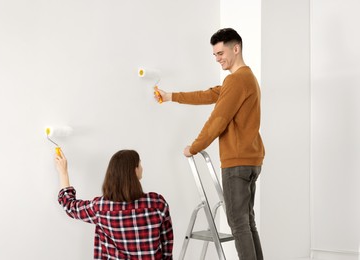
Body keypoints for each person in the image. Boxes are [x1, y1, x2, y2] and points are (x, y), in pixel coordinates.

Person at [155, 28, 264, 260]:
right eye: (214, 55)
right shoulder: (246, 78)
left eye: (221, 53)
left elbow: (218, 120)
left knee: (238, 224)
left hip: (237, 163)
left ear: (236, 48)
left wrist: (193, 147)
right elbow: (208, 95)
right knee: (247, 222)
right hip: (251, 160)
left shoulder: (237, 80)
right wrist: (171, 96)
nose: (218, 59)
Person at [55, 149, 174, 259]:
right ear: (134, 170)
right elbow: (167, 244)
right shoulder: (157, 204)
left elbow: (70, 206)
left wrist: (63, 172)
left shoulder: (100, 208)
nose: (142, 168)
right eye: (140, 164)